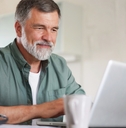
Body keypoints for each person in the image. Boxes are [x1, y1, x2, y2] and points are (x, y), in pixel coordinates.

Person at [0, 0, 85, 125]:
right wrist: (42, 109)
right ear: (19, 29)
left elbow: (82, 103)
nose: (48, 38)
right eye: (40, 28)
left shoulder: (60, 65)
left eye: (54, 29)